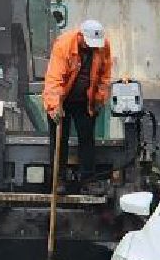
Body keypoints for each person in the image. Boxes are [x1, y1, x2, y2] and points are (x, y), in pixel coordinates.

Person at [42, 19, 113, 189]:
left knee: (87, 138)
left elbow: (104, 75)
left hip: (85, 100)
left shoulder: (102, 46)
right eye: (89, 44)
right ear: (80, 36)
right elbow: (54, 79)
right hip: (62, 99)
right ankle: (58, 179)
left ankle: (87, 179)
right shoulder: (64, 45)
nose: (92, 47)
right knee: (60, 138)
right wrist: (54, 106)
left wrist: (99, 98)